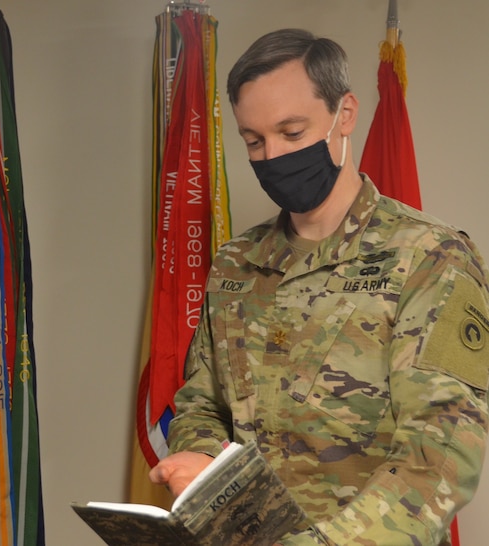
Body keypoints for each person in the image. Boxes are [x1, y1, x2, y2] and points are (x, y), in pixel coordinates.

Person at [149, 28, 489, 545]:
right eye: (254, 140)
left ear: (344, 114)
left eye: (291, 132)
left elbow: (438, 453)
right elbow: (201, 402)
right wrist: (200, 462)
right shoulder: (237, 263)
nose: (272, 156)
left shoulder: (429, 257)